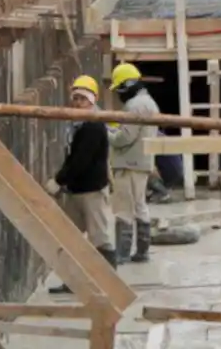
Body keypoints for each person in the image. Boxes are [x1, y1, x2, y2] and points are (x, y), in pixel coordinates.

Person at [46, 76, 117, 294]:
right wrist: (64, 181)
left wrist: (58, 181)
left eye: (82, 99)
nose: (78, 103)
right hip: (78, 190)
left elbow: (81, 160)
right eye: (75, 98)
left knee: (100, 238)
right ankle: (73, 282)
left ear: (92, 101)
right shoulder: (77, 125)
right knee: (71, 238)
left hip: (92, 191)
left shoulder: (93, 126)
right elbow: (73, 157)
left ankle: (108, 284)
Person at [108, 62, 159, 264]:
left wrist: (108, 132)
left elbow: (124, 138)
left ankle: (122, 253)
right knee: (140, 206)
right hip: (143, 162)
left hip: (128, 163)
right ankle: (142, 250)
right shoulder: (149, 102)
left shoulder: (134, 106)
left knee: (123, 209)